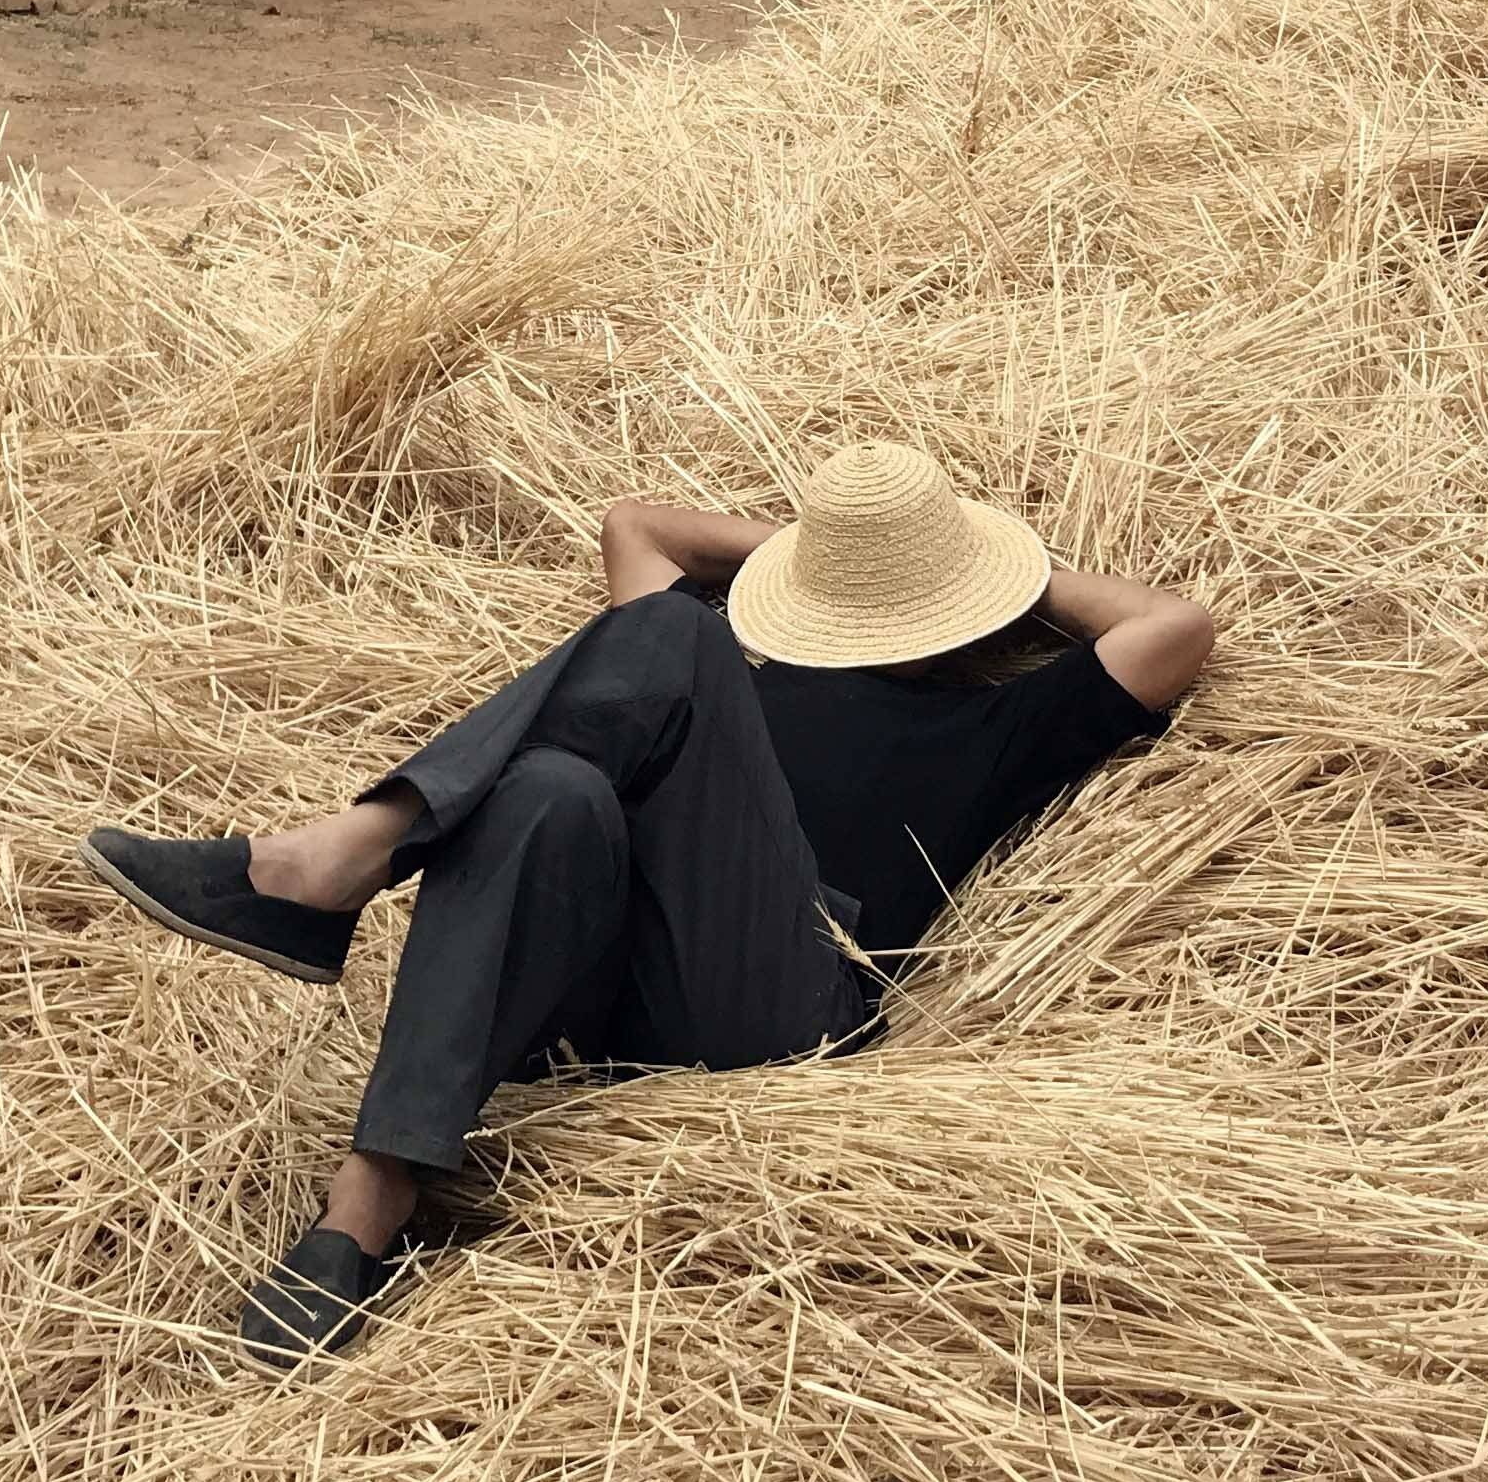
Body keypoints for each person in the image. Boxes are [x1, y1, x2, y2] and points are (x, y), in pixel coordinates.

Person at [80, 440, 1216, 1365]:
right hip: (601, 989)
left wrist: (985, 588)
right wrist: (848, 557)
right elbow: (638, 522)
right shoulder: (733, 661)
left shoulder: (1003, 721)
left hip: (784, 999)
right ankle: (365, 1210)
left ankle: (354, 858)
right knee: (551, 785)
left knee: (667, 635)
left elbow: (1175, 627)